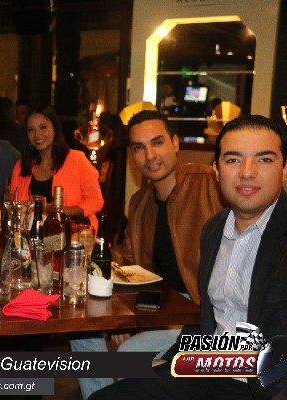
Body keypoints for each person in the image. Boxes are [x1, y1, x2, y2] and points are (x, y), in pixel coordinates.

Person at [90, 114, 287, 399]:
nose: (247, 172)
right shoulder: (213, 229)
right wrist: (172, 360)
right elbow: (211, 320)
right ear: (216, 169)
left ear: (284, 169)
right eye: (233, 160)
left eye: (264, 159)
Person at [69, 110, 225, 399]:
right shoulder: (140, 202)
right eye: (139, 147)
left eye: (157, 142)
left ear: (175, 143)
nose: (149, 155)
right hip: (161, 308)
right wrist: (121, 316)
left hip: (204, 317)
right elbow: (127, 262)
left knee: (128, 355)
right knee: (81, 334)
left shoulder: (210, 184)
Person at [9, 104, 104, 228]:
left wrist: (59, 211)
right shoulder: (21, 166)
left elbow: (95, 202)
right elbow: (14, 206)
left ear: (55, 130)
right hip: (32, 234)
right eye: (31, 130)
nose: (37, 135)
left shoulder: (76, 159)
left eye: (43, 127)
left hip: (75, 232)